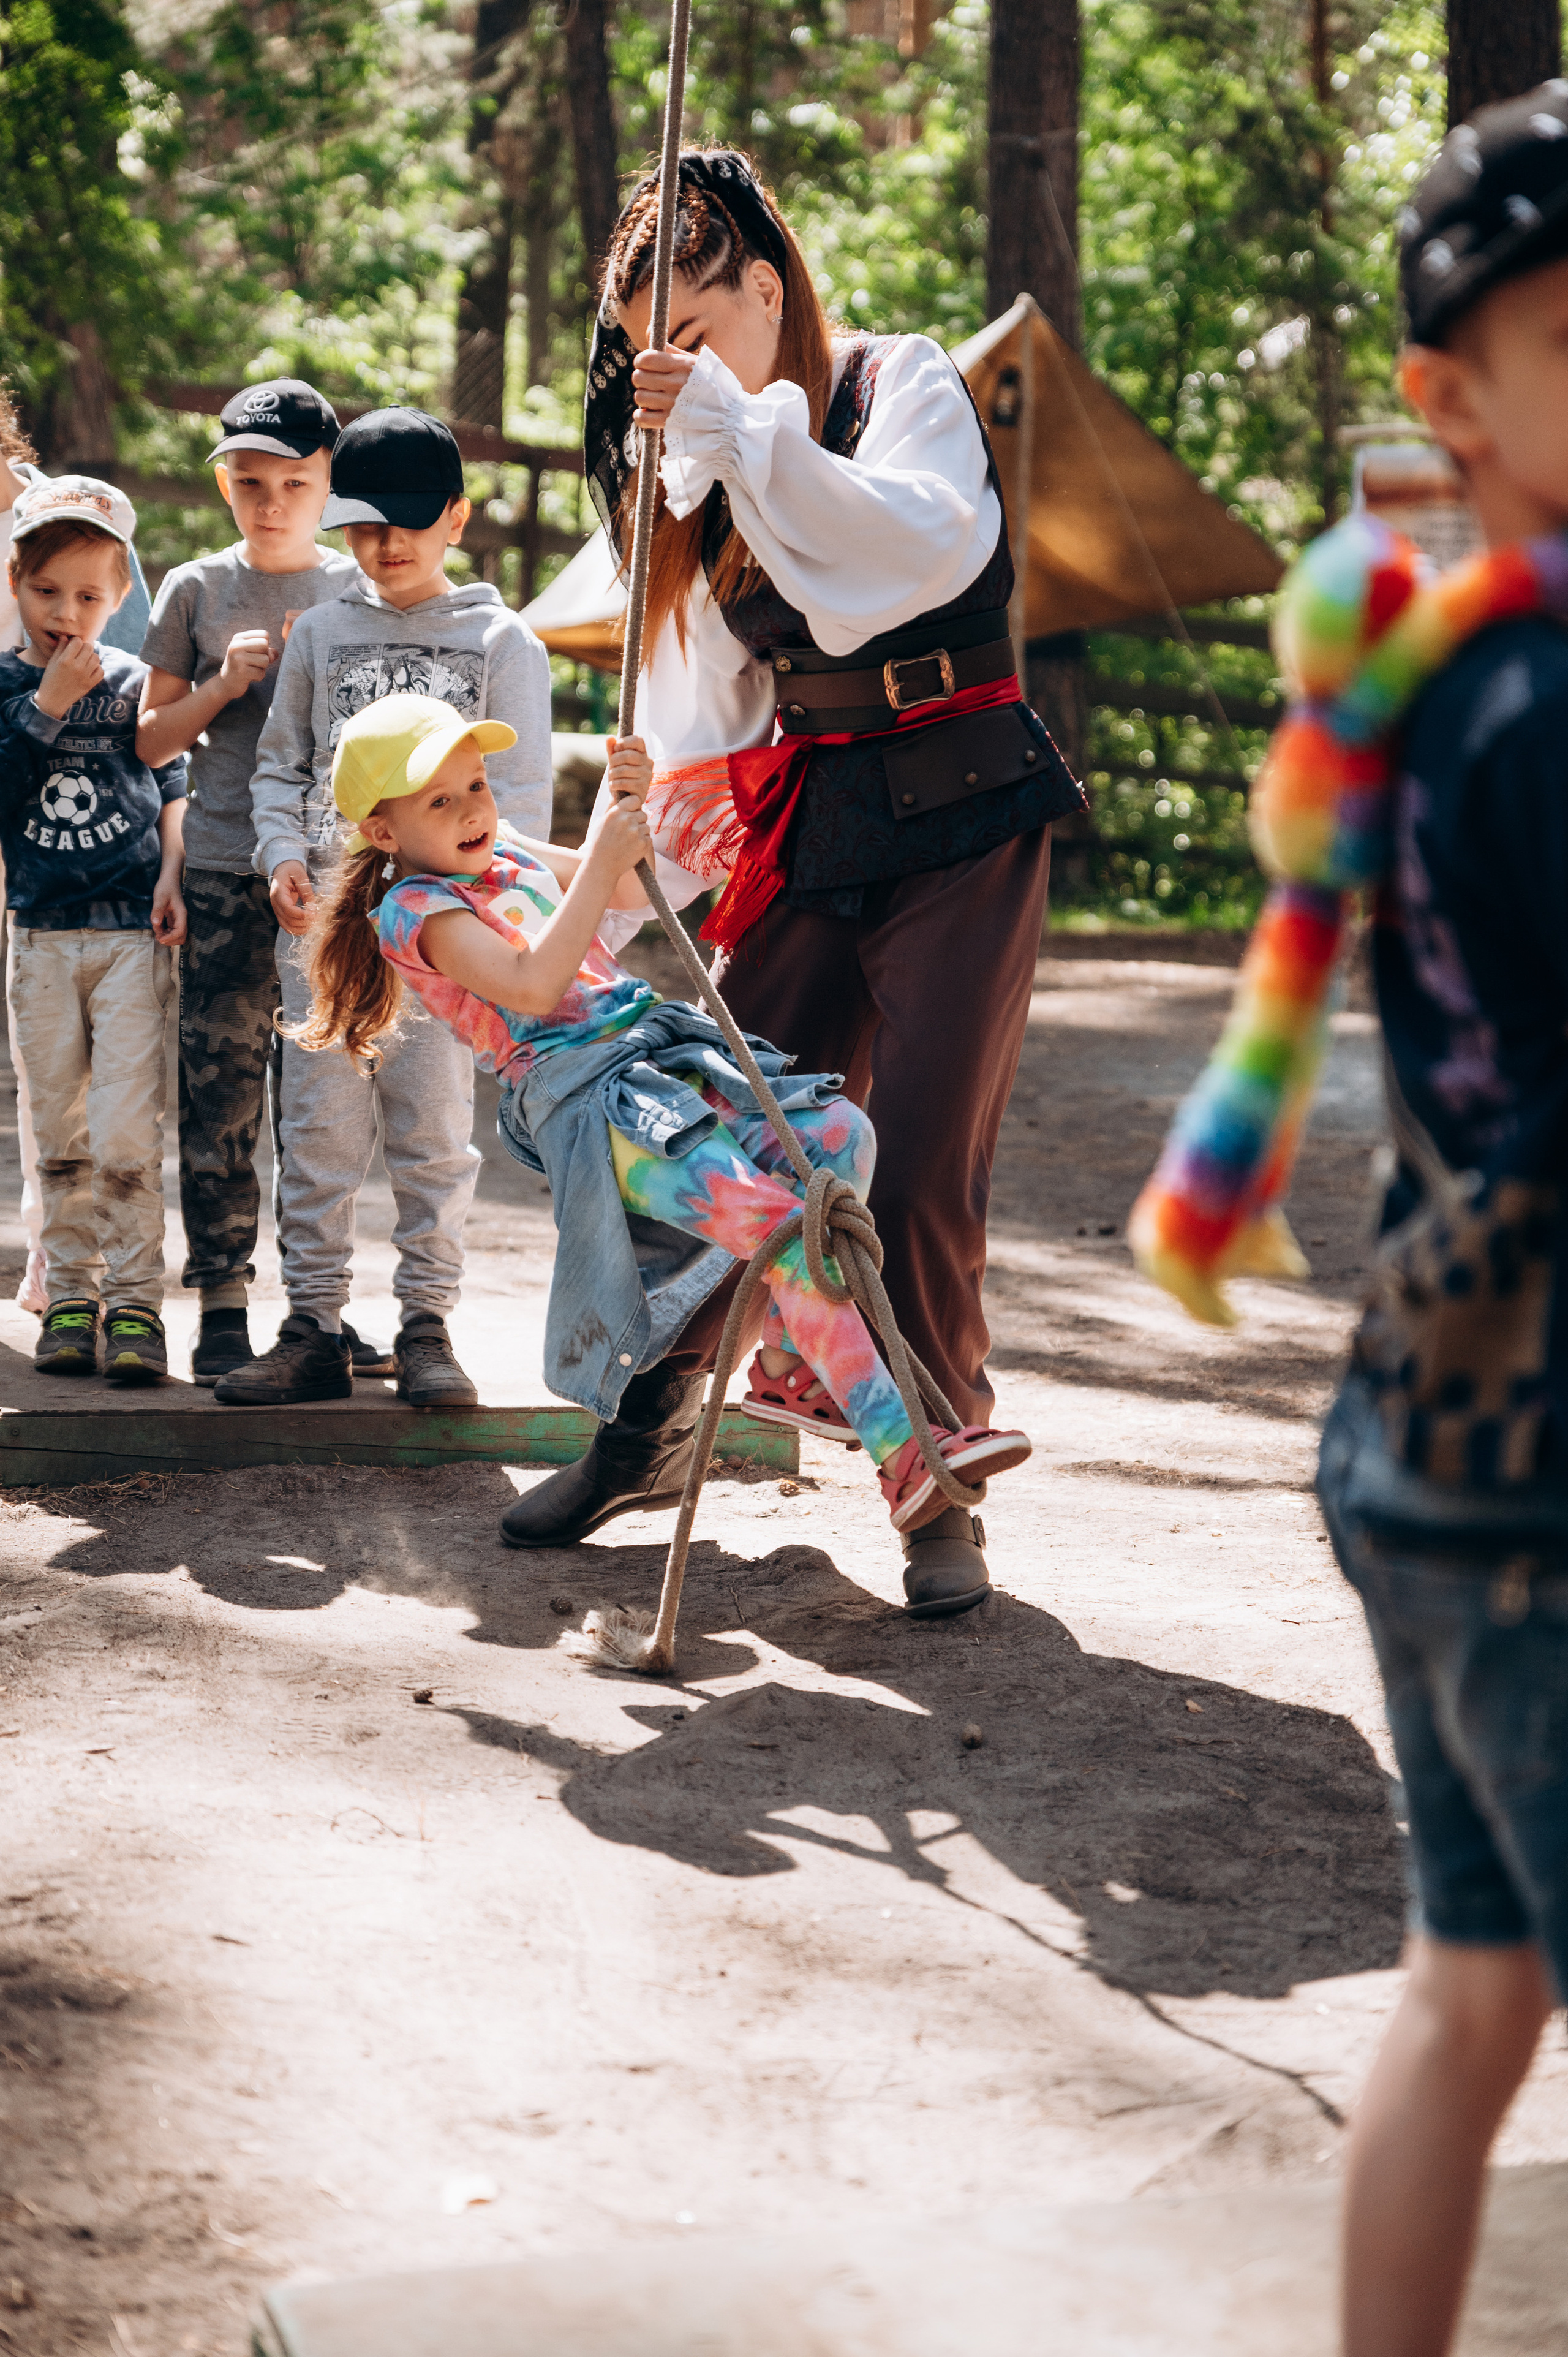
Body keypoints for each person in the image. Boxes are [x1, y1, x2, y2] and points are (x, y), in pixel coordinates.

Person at [508, 146, 1085, 1617]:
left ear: (766, 289)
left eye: (697, 334)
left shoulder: (902, 385)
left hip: (964, 802)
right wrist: (575, 919)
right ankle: (640, 1430)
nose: (673, 375)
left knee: (920, 1146)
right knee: (728, 1125)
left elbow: (893, 559)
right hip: (818, 816)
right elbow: (699, 719)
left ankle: (934, 1485)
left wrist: (736, 430)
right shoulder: (696, 473)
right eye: (650, 357)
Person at [1282, 88, 1568, 2357]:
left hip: (1434, 1456)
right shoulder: (1540, 694)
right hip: (1545, 1480)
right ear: (1454, 399)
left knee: (1473, 1984)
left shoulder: (1453, 660)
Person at [296, 691, 1031, 1545]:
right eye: (439, 801)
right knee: (783, 1232)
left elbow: (625, 884)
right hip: (589, 1103)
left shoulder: (504, 855)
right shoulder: (417, 915)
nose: (472, 810)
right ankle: (908, 1458)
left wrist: (628, 810)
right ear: (384, 833)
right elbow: (533, 986)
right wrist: (604, 850)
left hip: (657, 1056)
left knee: (839, 1137)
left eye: (477, 785)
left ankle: (790, 1369)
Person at [227, 408, 552, 1409]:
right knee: (315, 1132)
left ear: (458, 517)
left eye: (410, 521)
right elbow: (283, 764)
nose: (386, 544)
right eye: (364, 524)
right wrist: (282, 853)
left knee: (433, 1134)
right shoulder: (322, 630)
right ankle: (313, 1328)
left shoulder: (502, 641)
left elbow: (525, 804)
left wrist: (494, 919)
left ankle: (426, 1326)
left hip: (443, 942)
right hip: (325, 932)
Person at [136, 377, 364, 1385]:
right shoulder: (194, 587)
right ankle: (223, 1298)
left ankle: (319, 1309)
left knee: (325, 1109)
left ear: (329, 486)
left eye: (294, 482)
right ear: (223, 482)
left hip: (331, 888)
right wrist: (226, 684)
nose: (270, 501)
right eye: (249, 480)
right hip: (228, 873)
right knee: (221, 1097)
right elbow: (149, 743)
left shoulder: (355, 591)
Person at [0, 476, 187, 1380]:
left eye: (88, 596)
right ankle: (70, 1296)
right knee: (59, 1125)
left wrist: (177, 874)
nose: (65, 614)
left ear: (119, 600)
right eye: (46, 592)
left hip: (126, 938)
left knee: (125, 1131)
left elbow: (173, 785)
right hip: (38, 937)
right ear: (14, 585)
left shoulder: (133, 685)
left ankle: (138, 1307)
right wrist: (43, 710)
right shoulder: (5, 685)